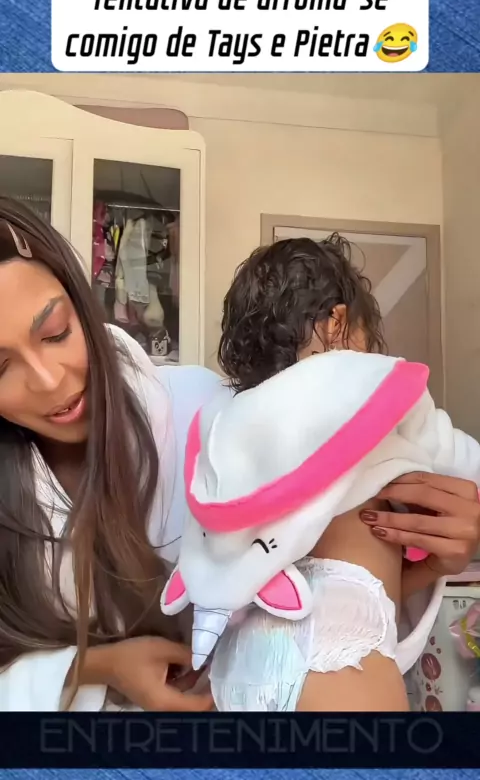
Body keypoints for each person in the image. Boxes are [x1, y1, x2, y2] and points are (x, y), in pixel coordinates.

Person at [200, 234, 480, 711]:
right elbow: (459, 460)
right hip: (340, 638)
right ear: (339, 324)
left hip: (241, 652)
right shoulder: (378, 386)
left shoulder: (234, 422)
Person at [0, 197, 226, 711]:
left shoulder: (204, 410)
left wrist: (406, 553)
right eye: (0, 369)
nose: (48, 381)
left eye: (56, 333)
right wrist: (92, 668)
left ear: (83, 305)